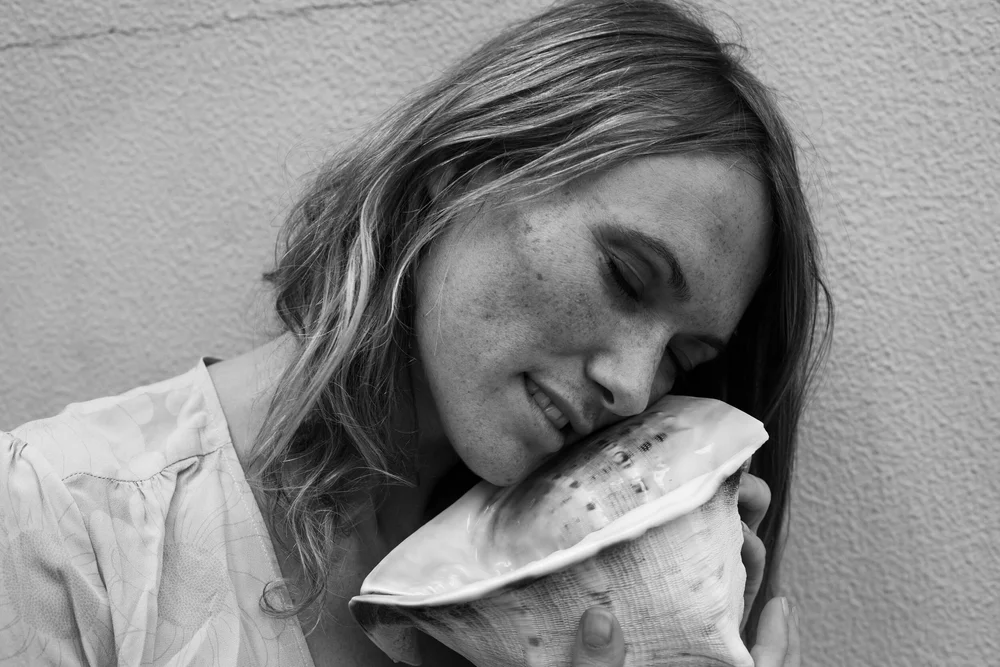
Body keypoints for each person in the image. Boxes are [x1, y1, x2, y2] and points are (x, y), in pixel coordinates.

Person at [0, 0, 831, 664]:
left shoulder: (571, 610)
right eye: (625, 274)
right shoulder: (59, 522)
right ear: (460, 172)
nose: (634, 386)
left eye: (683, 357)